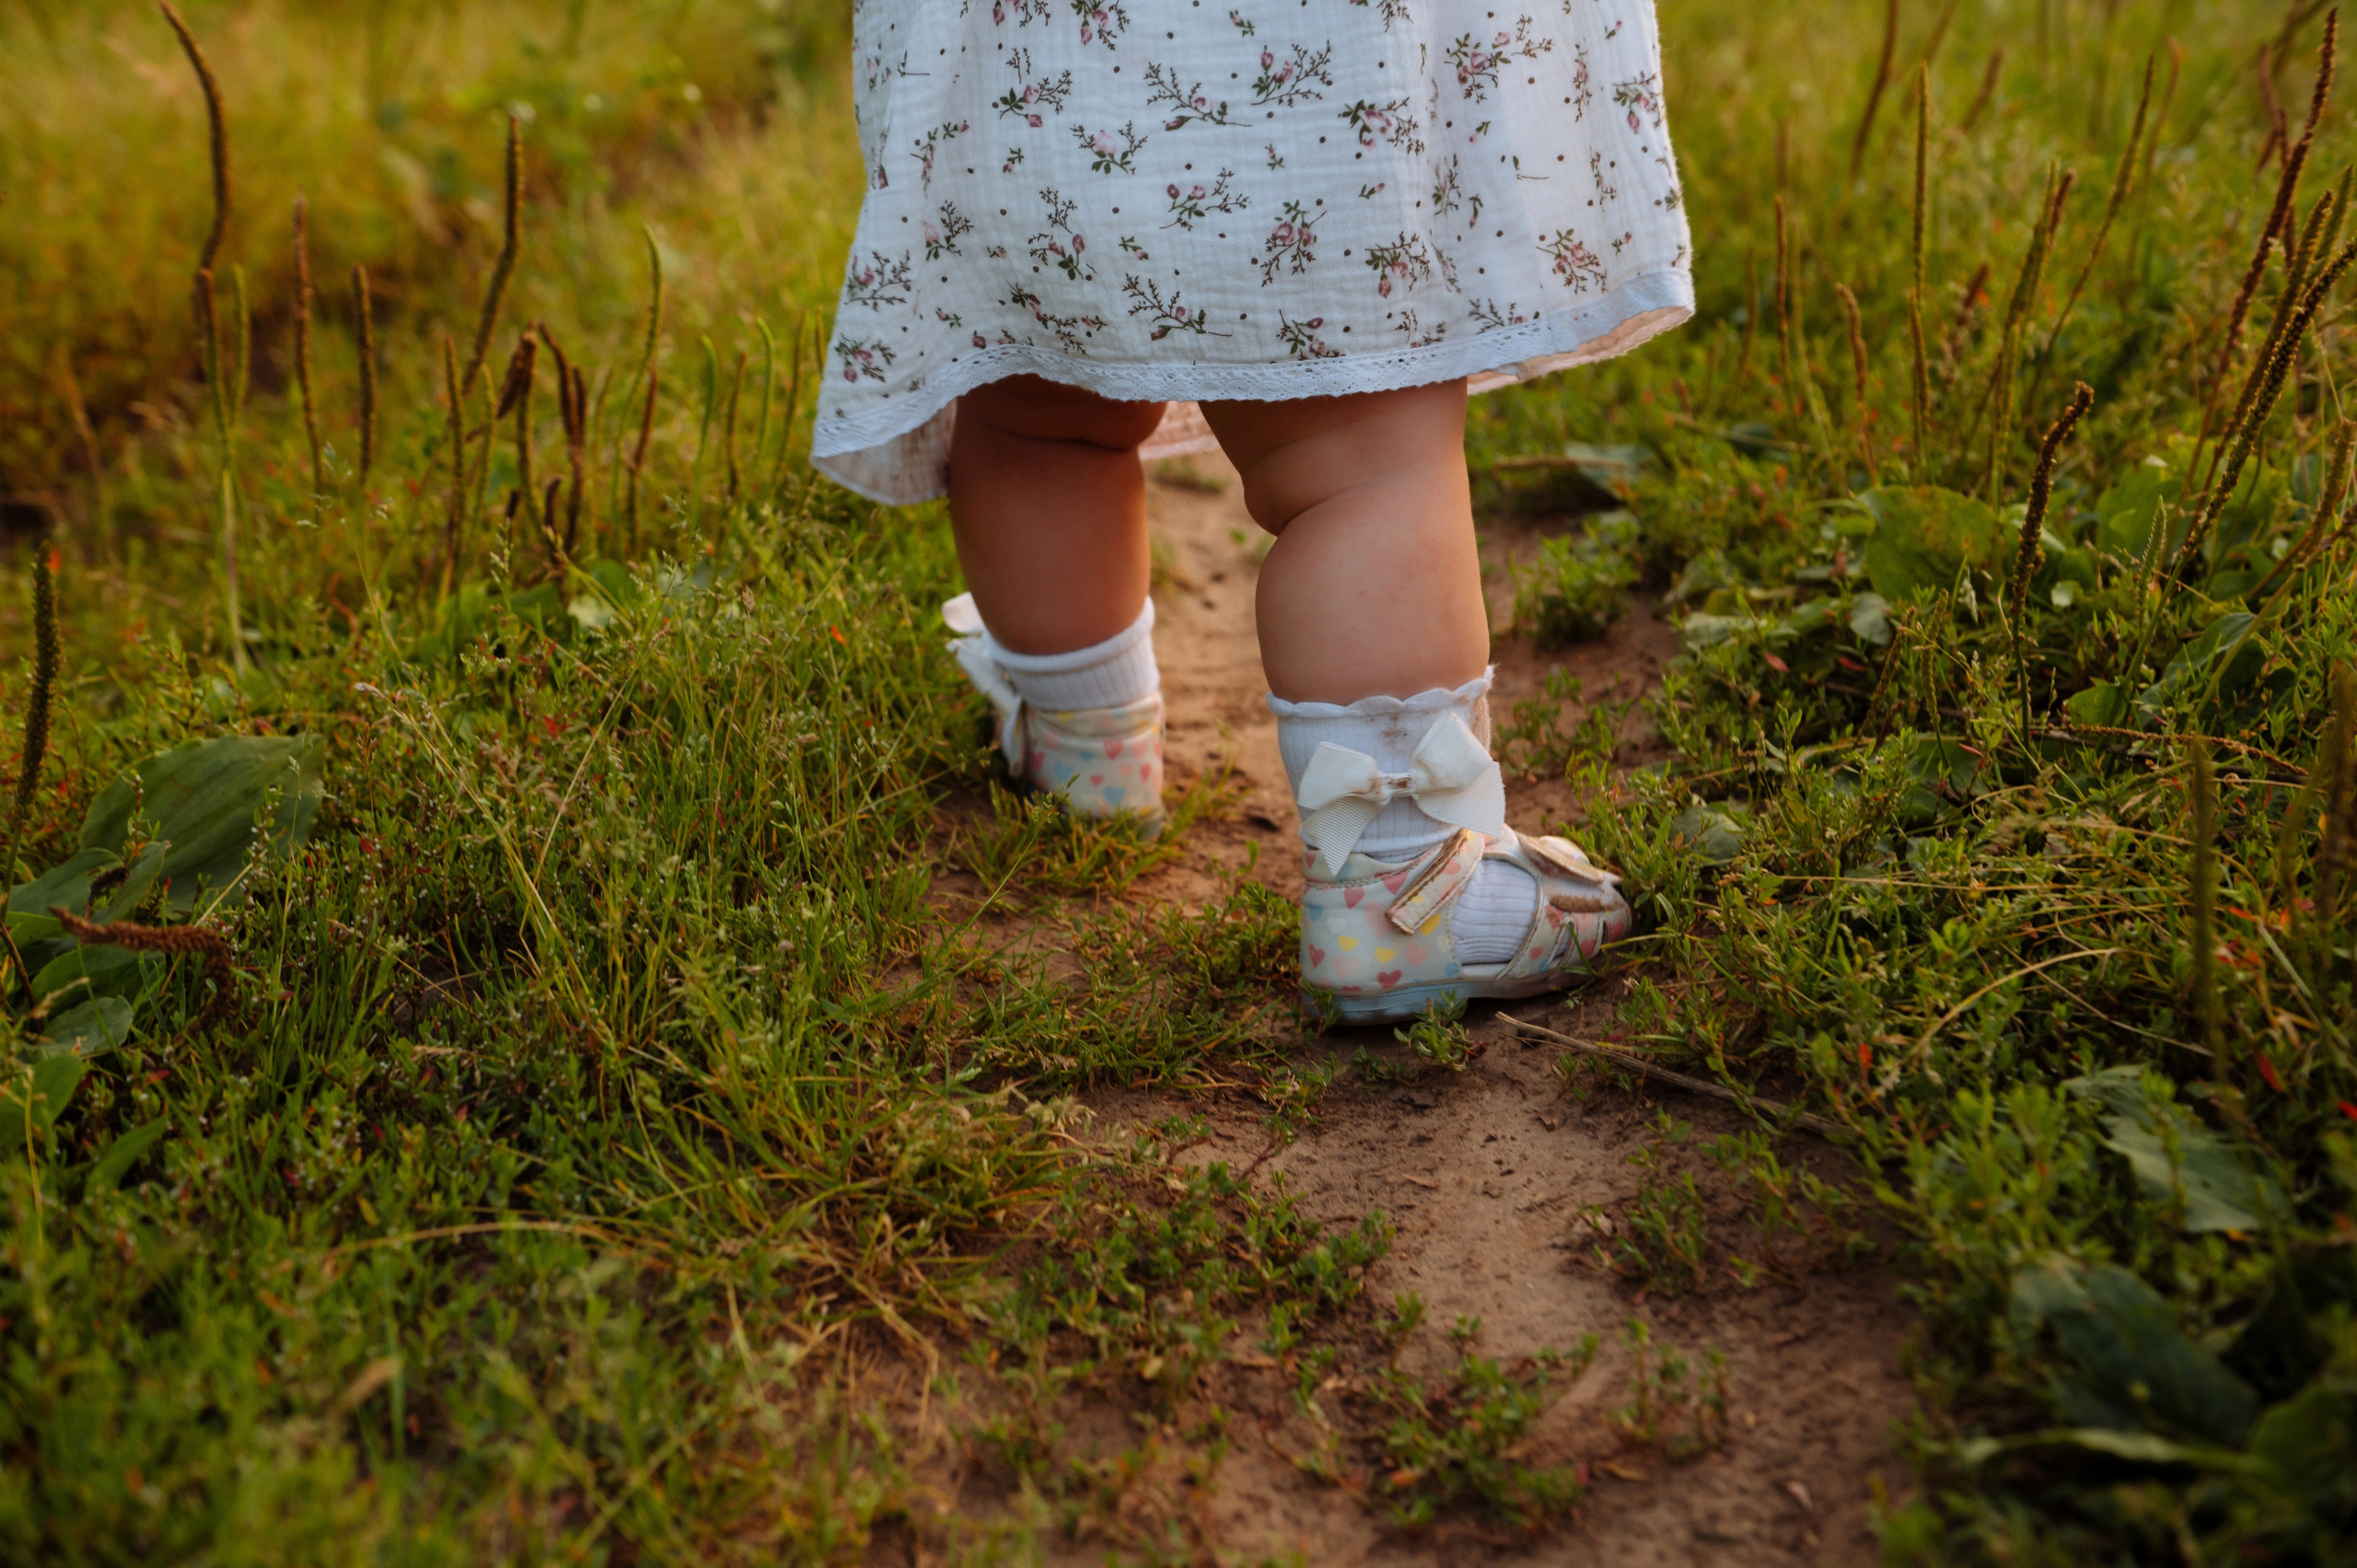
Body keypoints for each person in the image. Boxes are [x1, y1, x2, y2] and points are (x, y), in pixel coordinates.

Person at [815, 0, 1692, 1022]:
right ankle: (1409, 877)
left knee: (1036, 401)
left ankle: (1084, 753)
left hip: (1024, 93)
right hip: (1306, 103)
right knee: (1356, 465)